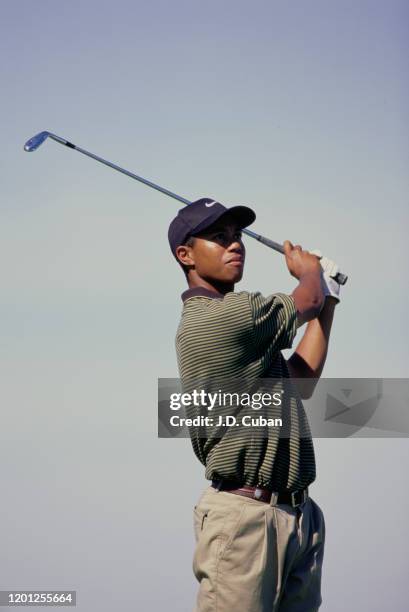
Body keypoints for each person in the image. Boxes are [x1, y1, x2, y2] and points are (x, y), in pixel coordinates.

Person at [168, 198, 340, 612]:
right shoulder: (225, 318)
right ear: (185, 255)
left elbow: (300, 380)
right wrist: (311, 273)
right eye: (218, 237)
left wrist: (328, 299)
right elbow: (306, 298)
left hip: (298, 515)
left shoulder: (248, 333)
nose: (235, 245)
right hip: (244, 518)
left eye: (237, 236)